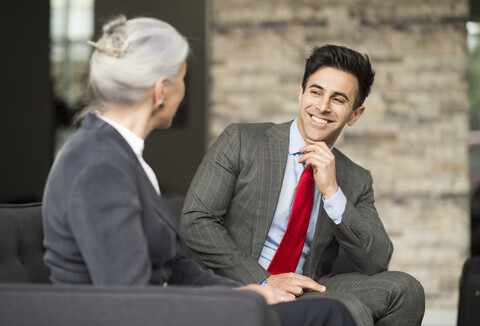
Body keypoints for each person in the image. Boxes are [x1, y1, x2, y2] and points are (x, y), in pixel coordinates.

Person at [42, 15, 357, 326]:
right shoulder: (99, 165)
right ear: (161, 90)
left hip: (169, 307)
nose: (184, 90)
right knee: (329, 315)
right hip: (148, 316)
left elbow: (174, 266)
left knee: (329, 311)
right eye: (183, 79)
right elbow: (129, 298)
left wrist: (247, 293)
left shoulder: (120, 155)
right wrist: (229, 303)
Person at [180, 44, 426, 326]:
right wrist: (264, 281)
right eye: (316, 92)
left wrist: (333, 192)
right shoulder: (241, 141)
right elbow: (196, 221)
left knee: (407, 290)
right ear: (301, 94)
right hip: (239, 282)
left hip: (307, 287)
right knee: (347, 308)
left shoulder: (355, 178)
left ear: (355, 114)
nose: (322, 106)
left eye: (338, 99)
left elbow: (377, 261)